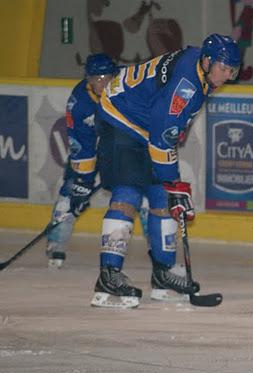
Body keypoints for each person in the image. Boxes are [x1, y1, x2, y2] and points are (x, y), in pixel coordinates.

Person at [90, 34, 240, 309]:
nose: (227, 76)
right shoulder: (186, 86)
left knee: (161, 197)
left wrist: (171, 186)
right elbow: (162, 136)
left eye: (232, 70)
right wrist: (175, 183)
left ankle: (162, 273)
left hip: (143, 124)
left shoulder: (201, 69)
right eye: (224, 68)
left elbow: (165, 129)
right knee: (129, 192)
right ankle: (108, 275)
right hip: (120, 117)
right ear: (207, 62)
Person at [45, 53, 118, 268]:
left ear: (115, 75)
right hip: (91, 147)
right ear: (88, 79)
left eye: (106, 78)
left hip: (122, 147)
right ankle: (56, 243)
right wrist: (83, 183)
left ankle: (158, 252)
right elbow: (81, 144)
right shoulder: (79, 103)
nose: (101, 84)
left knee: (140, 196)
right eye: (96, 79)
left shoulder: (128, 86)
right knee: (70, 194)